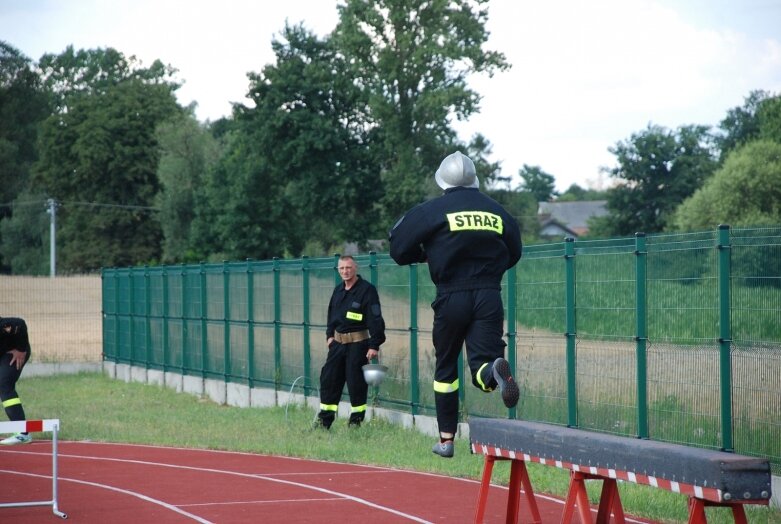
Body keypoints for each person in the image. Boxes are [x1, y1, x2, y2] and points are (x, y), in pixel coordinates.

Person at [388, 151, 523, 458]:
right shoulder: (496, 211)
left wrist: (424, 254)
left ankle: (446, 440)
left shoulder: (433, 210)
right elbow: (515, 251)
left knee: (446, 365)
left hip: (451, 296)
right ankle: (494, 371)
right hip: (489, 294)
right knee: (482, 363)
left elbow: (397, 248)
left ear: (443, 181)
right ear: (475, 180)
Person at [315, 255, 386, 429]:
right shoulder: (338, 290)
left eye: (348, 268)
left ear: (355, 268)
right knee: (329, 380)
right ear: (338, 270)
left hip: (358, 345)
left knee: (356, 384)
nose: (345, 271)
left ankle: (355, 424)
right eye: (341, 268)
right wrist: (329, 336)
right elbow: (331, 315)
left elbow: (375, 318)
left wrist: (374, 345)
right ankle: (324, 422)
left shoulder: (367, 290)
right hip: (337, 345)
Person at [1, 316, 33, 445]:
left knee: (4, 385)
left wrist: (21, 349)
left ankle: (22, 433)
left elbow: (19, 323)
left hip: (14, 352)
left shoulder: (3, 325)